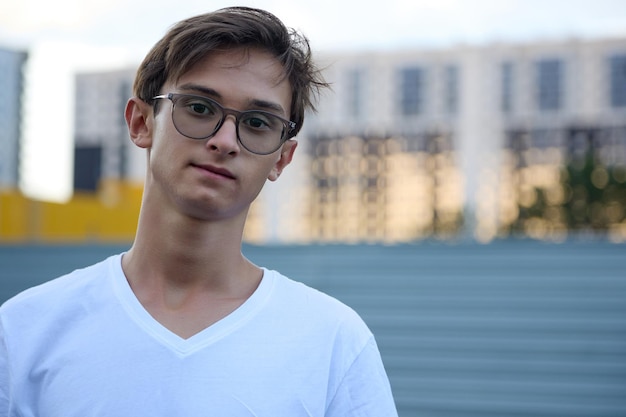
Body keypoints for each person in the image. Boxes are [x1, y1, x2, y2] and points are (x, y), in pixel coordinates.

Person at [0, 6, 398, 416]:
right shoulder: (24, 332)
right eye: (200, 108)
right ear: (140, 122)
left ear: (282, 158)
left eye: (258, 122)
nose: (225, 141)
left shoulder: (334, 343)